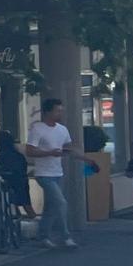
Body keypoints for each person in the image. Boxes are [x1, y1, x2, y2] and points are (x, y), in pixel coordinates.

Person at [25, 98, 77, 249]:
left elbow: (68, 148)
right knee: (60, 202)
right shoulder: (38, 129)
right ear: (48, 112)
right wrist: (49, 152)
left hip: (57, 172)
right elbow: (30, 151)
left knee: (51, 207)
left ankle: (43, 236)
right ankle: (66, 236)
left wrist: (81, 157)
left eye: (61, 110)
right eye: (57, 111)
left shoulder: (62, 129)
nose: (60, 113)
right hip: (43, 173)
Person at [0, 130, 34, 219]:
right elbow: (24, 168)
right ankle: (30, 214)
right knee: (25, 201)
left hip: (8, 182)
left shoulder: (1, 157)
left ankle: (9, 213)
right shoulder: (19, 156)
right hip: (21, 182)